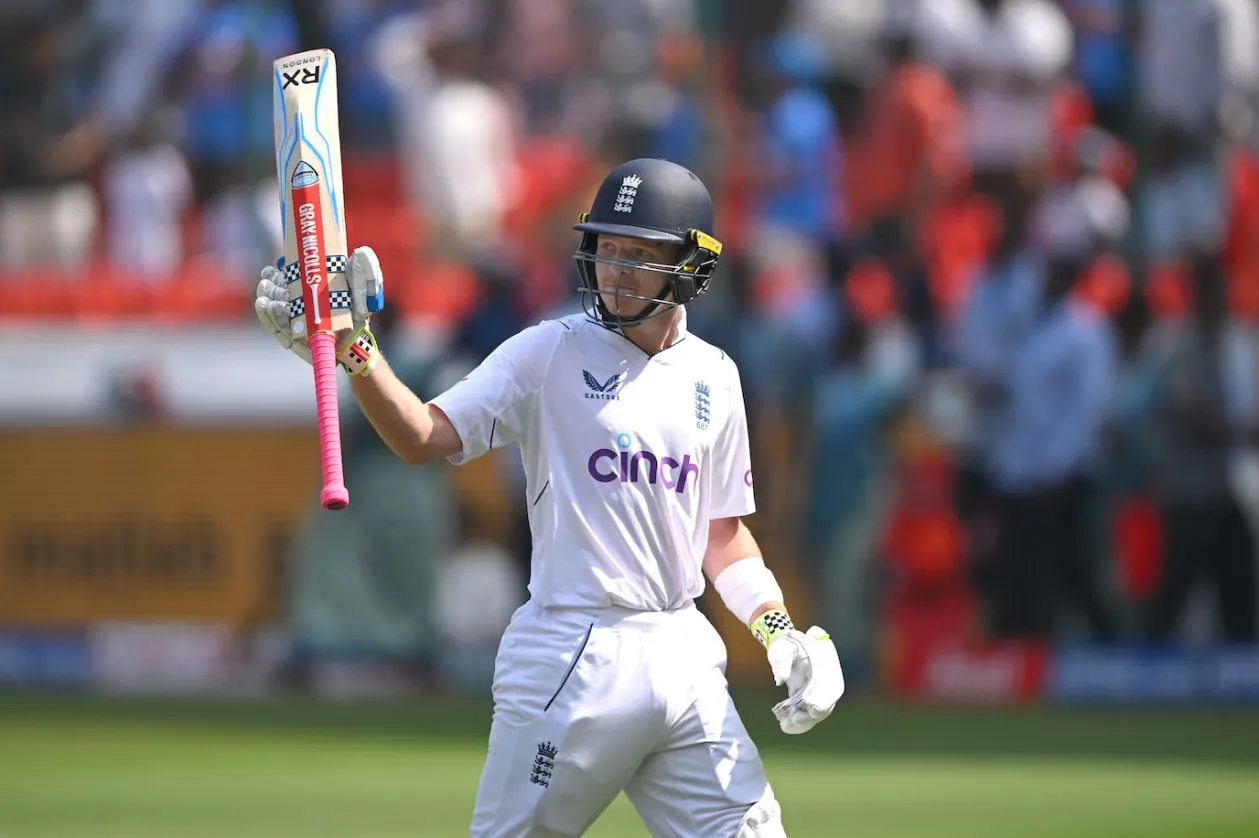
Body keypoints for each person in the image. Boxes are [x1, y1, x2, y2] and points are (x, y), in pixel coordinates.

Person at [254, 157, 845, 837]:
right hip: (575, 651)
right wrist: (356, 351)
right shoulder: (548, 351)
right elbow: (423, 436)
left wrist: (778, 635)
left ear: (690, 264)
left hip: (686, 654)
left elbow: (722, 533)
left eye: (640, 254)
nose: (617, 269)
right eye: (609, 249)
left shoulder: (715, 374)